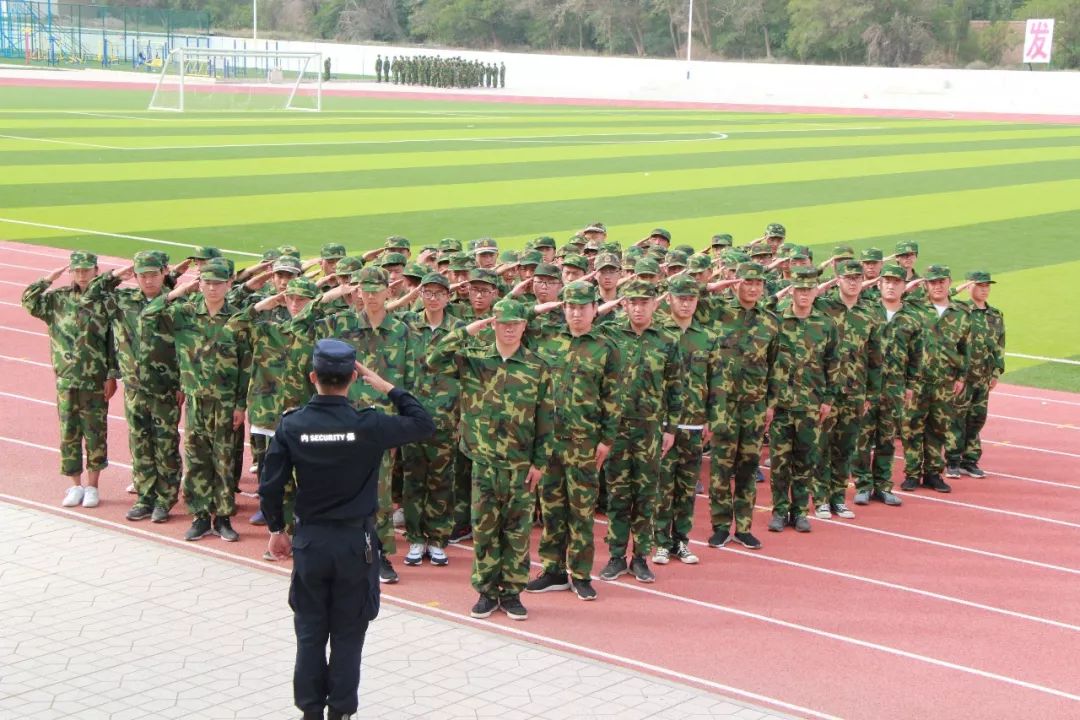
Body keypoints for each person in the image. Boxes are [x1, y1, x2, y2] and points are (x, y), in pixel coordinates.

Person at [260, 339, 434, 720]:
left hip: (311, 542)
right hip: (356, 544)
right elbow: (424, 423)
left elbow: (270, 484)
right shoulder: (368, 424)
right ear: (353, 378)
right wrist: (384, 384)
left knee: (309, 633)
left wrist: (276, 528)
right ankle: (340, 712)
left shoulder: (293, 424)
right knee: (348, 635)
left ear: (313, 377)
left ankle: (310, 712)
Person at [427, 299, 554, 621]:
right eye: (503, 322)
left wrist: (540, 462)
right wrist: (468, 330)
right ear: (494, 324)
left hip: (520, 464)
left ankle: (511, 593)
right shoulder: (474, 360)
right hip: (484, 462)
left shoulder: (537, 366)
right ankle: (485, 591)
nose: (509, 328)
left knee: (516, 532)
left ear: (525, 326)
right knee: (484, 531)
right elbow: (434, 358)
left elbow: (546, 418)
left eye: (515, 323)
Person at [525, 281, 622, 601]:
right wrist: (541, 307)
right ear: (562, 308)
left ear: (596, 309)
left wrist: (606, 440)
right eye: (570, 306)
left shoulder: (606, 347)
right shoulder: (548, 340)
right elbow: (512, 321)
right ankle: (553, 569)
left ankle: (580, 574)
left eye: (582, 307)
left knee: (581, 511)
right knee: (552, 509)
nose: (576, 312)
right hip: (551, 442)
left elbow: (612, 396)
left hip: (585, 443)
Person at [143, 258, 250, 542]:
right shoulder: (184, 313)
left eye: (218, 282)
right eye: (207, 282)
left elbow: (246, 364)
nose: (213, 288)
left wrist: (241, 404)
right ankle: (200, 515)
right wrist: (176, 292)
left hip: (225, 403)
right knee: (196, 459)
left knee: (224, 460)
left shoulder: (238, 318)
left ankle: (223, 516)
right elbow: (148, 315)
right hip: (196, 400)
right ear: (199, 283)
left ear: (229, 284)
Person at [85, 252, 181, 523]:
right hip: (135, 388)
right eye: (142, 275)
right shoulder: (124, 300)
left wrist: (181, 383)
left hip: (164, 387)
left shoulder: (177, 302)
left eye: (153, 273)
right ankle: (145, 496)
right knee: (139, 442)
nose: (148, 279)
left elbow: (187, 347)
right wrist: (115, 276)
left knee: (165, 443)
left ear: (164, 272)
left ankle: (166, 498)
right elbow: (90, 297)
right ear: (135, 276)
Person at [598, 280, 682, 584]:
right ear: (624, 304)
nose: (638, 307)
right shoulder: (610, 337)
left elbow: (675, 387)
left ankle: (641, 557)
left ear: (654, 305)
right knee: (617, 494)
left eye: (644, 302)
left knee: (646, 495)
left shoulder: (666, 341)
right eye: (632, 302)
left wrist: (670, 428)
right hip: (616, 428)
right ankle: (616, 556)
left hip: (649, 429)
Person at [22, 250, 116, 509]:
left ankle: (93, 486)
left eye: (87, 270)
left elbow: (112, 341)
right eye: (78, 270)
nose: (83, 275)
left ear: (96, 271)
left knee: (96, 434)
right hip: (66, 380)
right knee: (69, 434)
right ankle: (75, 485)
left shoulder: (104, 302)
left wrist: (111, 374)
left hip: (95, 380)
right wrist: (48, 279)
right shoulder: (56, 300)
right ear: (71, 272)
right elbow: (28, 300)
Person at [707, 263, 778, 549]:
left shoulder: (771, 322)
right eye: (747, 282)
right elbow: (683, 299)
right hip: (723, 405)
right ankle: (721, 525)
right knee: (721, 468)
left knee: (748, 467)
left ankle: (744, 526)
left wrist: (770, 404)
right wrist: (713, 286)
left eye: (757, 284)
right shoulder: (717, 312)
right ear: (736, 283)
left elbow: (775, 366)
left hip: (753, 405)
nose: (752, 288)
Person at [654, 275, 722, 566]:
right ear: (669, 299)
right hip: (664, 425)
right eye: (680, 297)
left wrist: (712, 419)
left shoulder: (706, 337)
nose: (685, 303)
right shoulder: (658, 334)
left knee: (686, 488)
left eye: (690, 298)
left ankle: (680, 541)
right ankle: (659, 542)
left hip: (694, 423)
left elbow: (716, 382)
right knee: (662, 487)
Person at [767, 268, 839, 533]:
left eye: (809, 290)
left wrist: (828, 399)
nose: (804, 294)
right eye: (799, 289)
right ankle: (778, 511)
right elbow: (768, 359)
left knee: (805, 460)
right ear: (792, 291)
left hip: (810, 403)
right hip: (782, 404)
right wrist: (769, 402)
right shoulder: (777, 321)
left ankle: (799, 512)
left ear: (816, 292)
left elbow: (832, 363)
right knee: (779, 462)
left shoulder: (826, 324)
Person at [852, 263, 922, 506]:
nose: (891, 286)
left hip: (894, 387)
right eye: (887, 282)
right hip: (867, 387)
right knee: (863, 437)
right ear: (879, 284)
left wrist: (910, 384)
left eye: (897, 282)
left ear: (905, 287)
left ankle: (882, 485)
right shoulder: (867, 313)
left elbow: (916, 356)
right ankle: (862, 484)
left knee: (886, 438)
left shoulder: (911, 319)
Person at [902, 264, 970, 493]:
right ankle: (912, 473)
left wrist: (961, 376)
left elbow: (964, 348)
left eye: (941, 281)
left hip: (945, 381)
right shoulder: (914, 308)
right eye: (932, 282)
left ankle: (933, 473)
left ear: (949, 282)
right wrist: (910, 287)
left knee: (938, 429)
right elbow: (887, 298)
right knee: (911, 427)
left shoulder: (960, 313)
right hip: (917, 380)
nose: (938, 286)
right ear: (925, 285)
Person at [946, 271, 1005, 478]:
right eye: (980, 285)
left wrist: (996, 371)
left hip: (983, 376)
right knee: (957, 418)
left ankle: (970, 460)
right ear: (970, 286)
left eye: (987, 286)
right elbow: (943, 296)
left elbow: (999, 345)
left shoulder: (995, 314)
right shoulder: (959, 310)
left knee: (977, 419)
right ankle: (952, 460)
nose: (985, 289)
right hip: (963, 376)